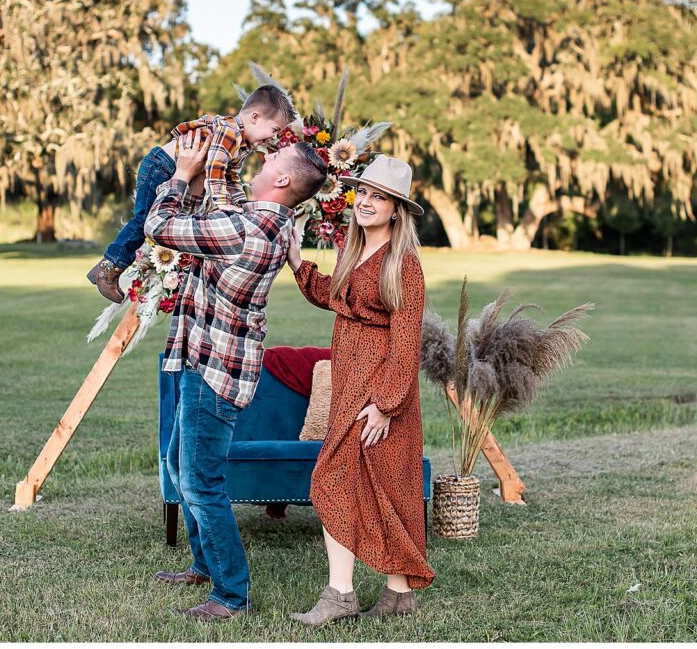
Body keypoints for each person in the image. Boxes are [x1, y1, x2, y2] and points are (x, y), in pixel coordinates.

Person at [145, 129, 327, 621]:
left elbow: (159, 225)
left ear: (284, 177)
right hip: (206, 361)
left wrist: (181, 175)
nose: (267, 158)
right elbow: (227, 195)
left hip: (213, 375)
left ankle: (230, 594)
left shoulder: (243, 230)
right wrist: (228, 144)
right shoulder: (263, 222)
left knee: (202, 482)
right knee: (181, 466)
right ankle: (205, 564)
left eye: (275, 156)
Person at [286, 154, 436, 626]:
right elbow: (334, 294)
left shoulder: (403, 264)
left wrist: (387, 406)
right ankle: (397, 594)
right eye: (364, 193)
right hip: (351, 383)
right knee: (375, 486)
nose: (367, 202)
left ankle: (341, 595)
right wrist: (296, 261)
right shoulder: (355, 252)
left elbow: (407, 338)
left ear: (397, 209)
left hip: (380, 392)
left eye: (380, 197)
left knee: (338, 480)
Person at [87, 85, 297, 302]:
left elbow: (230, 177)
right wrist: (223, 202)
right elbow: (215, 169)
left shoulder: (241, 144)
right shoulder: (229, 132)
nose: (272, 138)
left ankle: (107, 268)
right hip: (161, 166)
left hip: (171, 168)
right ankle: (107, 269)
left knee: (160, 219)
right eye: (274, 130)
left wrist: (241, 205)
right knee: (144, 220)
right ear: (255, 117)